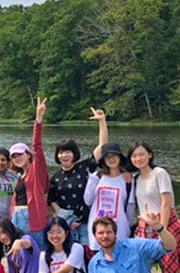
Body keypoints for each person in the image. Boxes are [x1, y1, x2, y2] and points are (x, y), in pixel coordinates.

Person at [128, 142, 180, 273]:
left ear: (150, 155)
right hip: (144, 227)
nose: (138, 158)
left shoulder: (159, 173)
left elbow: (166, 202)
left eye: (141, 154)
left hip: (165, 224)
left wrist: (162, 227)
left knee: (170, 272)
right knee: (139, 271)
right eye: (134, 156)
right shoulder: (136, 178)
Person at [48, 107, 108, 245]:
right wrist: (67, 218)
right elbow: (52, 200)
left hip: (87, 222)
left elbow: (102, 147)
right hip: (67, 225)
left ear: (74, 153)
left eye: (68, 152)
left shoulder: (84, 168)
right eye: (61, 152)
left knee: (88, 254)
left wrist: (102, 122)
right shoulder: (56, 178)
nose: (64, 155)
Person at [9, 97, 50, 250]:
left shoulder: (36, 170)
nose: (17, 158)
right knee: (20, 256)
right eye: (14, 156)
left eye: (20, 154)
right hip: (17, 218)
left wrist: (38, 121)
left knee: (38, 253)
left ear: (28, 154)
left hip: (33, 218)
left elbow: (38, 147)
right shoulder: (20, 177)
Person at [84, 141, 134, 251]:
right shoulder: (97, 177)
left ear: (120, 158)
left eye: (114, 156)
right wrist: (92, 180)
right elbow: (87, 201)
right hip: (98, 228)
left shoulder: (128, 180)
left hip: (119, 229)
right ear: (104, 160)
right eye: (108, 157)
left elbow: (130, 206)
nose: (111, 159)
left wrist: (128, 228)